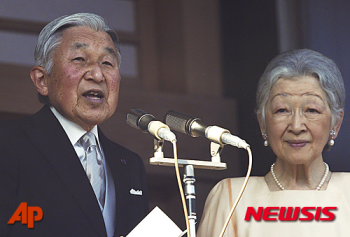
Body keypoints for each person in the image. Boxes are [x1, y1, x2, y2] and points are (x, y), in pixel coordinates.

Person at [0, 13, 149, 237]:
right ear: (42, 80)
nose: (98, 75)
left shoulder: (130, 165)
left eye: (107, 63)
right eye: (80, 59)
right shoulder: (7, 142)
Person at [197, 49, 350, 237]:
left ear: (336, 123)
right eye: (281, 110)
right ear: (263, 123)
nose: (296, 126)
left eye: (311, 110)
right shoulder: (231, 197)